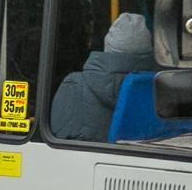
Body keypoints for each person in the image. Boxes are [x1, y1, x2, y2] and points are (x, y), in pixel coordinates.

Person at [49, 12, 157, 142]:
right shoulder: (163, 88)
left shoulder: (74, 86)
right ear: (149, 49)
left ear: (108, 46)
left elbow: (59, 137)